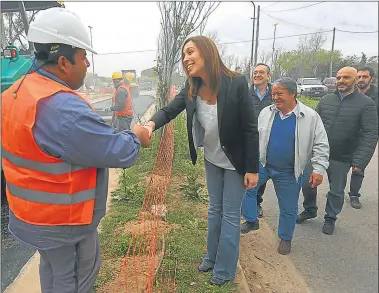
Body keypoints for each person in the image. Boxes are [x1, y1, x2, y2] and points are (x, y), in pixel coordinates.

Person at [1, 7, 150, 293]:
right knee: (74, 281)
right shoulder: (62, 108)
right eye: (83, 57)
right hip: (64, 222)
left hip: (31, 216)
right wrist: (136, 135)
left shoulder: (16, 91)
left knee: (53, 274)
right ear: (63, 62)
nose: (88, 66)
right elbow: (118, 151)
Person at [143, 36, 259, 286]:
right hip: (212, 159)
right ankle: (211, 256)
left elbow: (251, 128)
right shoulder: (191, 88)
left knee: (229, 215)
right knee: (214, 210)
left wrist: (252, 168)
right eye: (184, 55)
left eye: (191, 52)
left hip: (236, 162)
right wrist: (150, 125)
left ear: (207, 52)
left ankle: (226, 269)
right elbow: (169, 110)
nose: (186, 59)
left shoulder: (236, 82)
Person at [241, 77, 329, 255]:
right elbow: (255, 137)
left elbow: (321, 144)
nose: (275, 97)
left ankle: (286, 238)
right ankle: (252, 220)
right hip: (264, 165)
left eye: (280, 94)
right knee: (246, 187)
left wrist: (318, 169)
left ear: (293, 94)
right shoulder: (267, 112)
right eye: (273, 94)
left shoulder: (310, 116)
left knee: (288, 207)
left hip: (289, 171)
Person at [297, 67, 378, 235]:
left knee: (336, 191)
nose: (341, 80)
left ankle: (330, 218)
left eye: (346, 77)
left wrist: (360, 161)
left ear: (355, 80)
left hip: (342, 156)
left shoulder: (366, 104)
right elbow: (312, 126)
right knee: (307, 183)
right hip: (318, 153)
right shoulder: (326, 100)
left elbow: (371, 134)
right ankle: (310, 209)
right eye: (339, 77)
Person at [346, 67, 379, 208]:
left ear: (371, 78)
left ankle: (354, 194)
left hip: (365, 136)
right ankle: (336, 190)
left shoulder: (376, 96)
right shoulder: (349, 93)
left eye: (364, 77)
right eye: (358, 77)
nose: (360, 80)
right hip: (348, 134)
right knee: (338, 165)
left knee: (359, 167)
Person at [249, 63, 273, 218]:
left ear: (268, 76)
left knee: (261, 172)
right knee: (246, 172)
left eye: (261, 72)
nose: (257, 75)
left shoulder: (275, 93)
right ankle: (245, 205)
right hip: (248, 139)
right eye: (255, 72)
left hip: (268, 139)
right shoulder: (245, 93)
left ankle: (257, 202)